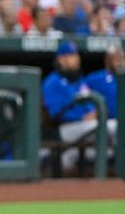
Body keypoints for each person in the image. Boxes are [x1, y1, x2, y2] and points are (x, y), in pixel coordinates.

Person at [42, 41, 117, 171]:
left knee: (112, 133)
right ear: (61, 59)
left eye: (76, 55)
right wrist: (82, 117)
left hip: (87, 128)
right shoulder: (52, 82)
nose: (76, 59)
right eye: (71, 55)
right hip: (67, 128)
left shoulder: (79, 80)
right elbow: (55, 113)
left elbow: (90, 104)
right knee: (113, 127)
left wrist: (95, 113)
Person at [85, 43, 125, 121]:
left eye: (122, 59)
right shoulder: (95, 78)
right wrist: (91, 110)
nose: (120, 62)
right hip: (106, 122)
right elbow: (81, 94)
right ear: (108, 61)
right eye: (116, 58)